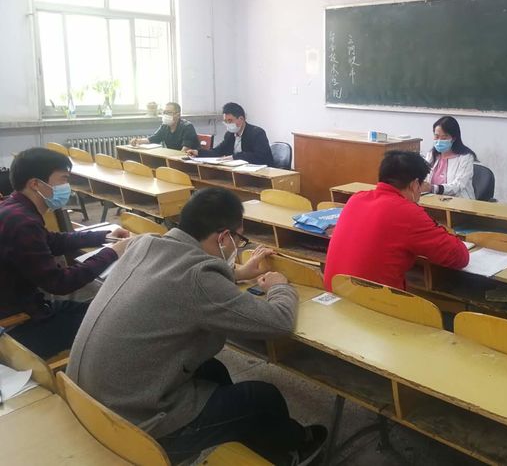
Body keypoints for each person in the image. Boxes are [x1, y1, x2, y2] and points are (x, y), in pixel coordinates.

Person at [67, 187, 326, 465]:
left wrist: (236, 272)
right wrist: (279, 287)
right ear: (223, 237)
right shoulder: (199, 278)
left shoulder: (145, 244)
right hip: (131, 426)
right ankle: (296, 451)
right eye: (239, 239)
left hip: (85, 400)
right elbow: (278, 322)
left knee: (213, 370)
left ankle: (244, 436)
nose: (238, 246)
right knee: (262, 397)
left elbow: (181, 272)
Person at [0, 148, 130, 359]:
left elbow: (51, 241)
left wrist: (104, 236)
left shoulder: (13, 208)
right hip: (18, 324)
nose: (67, 187)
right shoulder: (23, 223)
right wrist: (112, 253)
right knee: (110, 322)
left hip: (26, 307)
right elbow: (60, 283)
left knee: (98, 308)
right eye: (63, 179)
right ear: (35, 184)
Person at [324, 150, 469, 291]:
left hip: (335, 293)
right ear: (414, 185)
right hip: (370, 301)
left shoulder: (356, 199)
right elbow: (459, 257)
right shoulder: (408, 212)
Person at [185, 102, 273, 165]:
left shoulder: (257, 133)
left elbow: (260, 157)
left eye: (230, 121)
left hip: (261, 172)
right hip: (239, 172)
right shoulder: (230, 134)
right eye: (225, 121)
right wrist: (198, 152)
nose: (227, 124)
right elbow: (217, 151)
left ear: (241, 119)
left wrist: (234, 157)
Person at [421, 115, 477, 199]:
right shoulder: (431, 154)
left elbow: (458, 185)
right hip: (432, 200)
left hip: (459, 202)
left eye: (444, 138)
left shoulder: (466, 157)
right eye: (436, 136)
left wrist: (433, 188)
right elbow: (424, 177)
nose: (439, 141)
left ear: (453, 138)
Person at [130, 102, 200, 151]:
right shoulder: (165, 126)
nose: (166, 115)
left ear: (178, 115)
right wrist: (137, 141)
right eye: (165, 112)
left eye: (169, 112)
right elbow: (153, 139)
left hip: (190, 160)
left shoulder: (187, 127)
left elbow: (185, 150)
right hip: (173, 157)